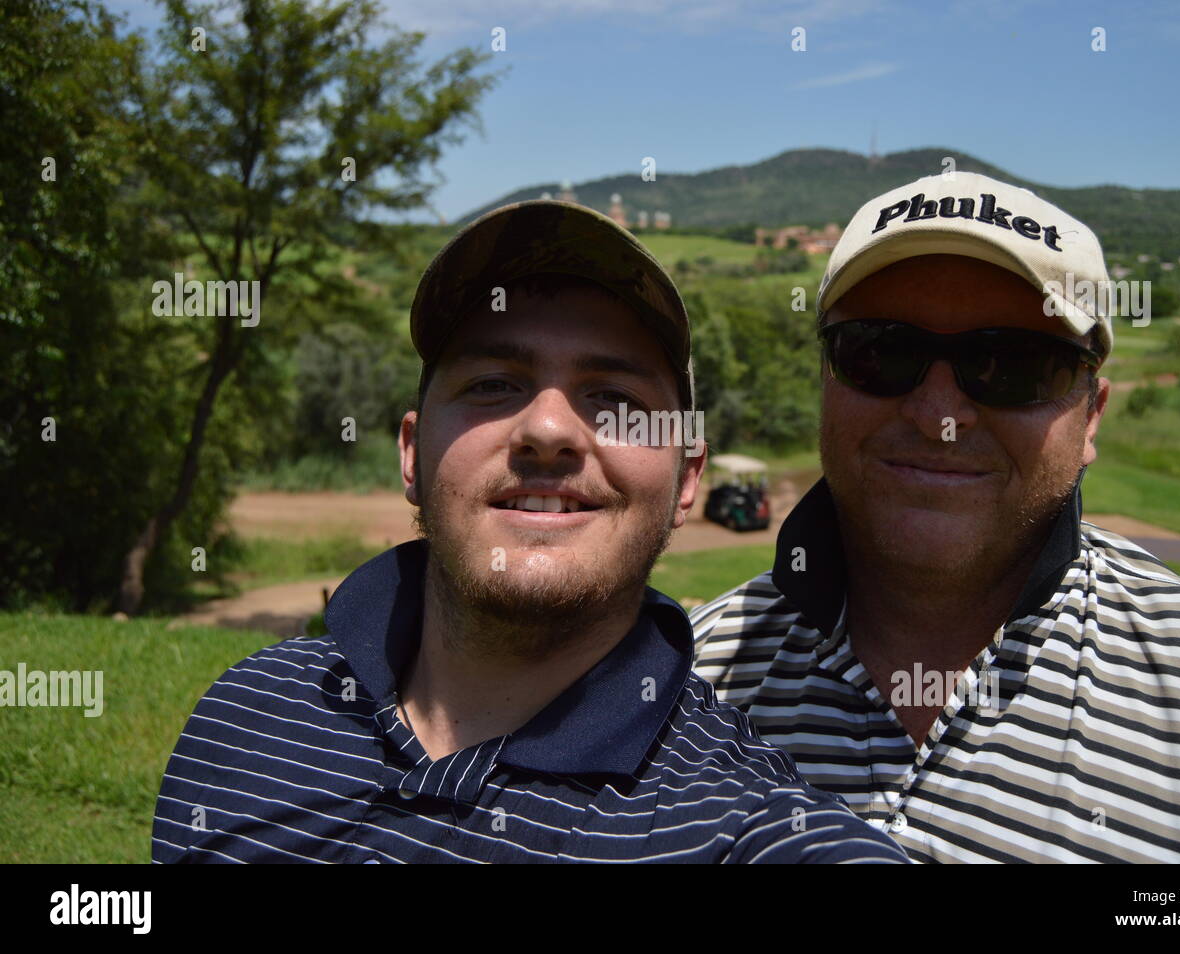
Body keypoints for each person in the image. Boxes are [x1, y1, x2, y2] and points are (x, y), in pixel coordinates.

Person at [151, 200, 907, 864]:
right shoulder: (245, 711)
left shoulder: (746, 828)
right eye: (493, 385)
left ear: (687, 479)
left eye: (611, 396)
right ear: (412, 454)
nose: (548, 429)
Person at [691, 172, 1180, 863]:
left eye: (1013, 364)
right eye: (882, 352)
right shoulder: (690, 683)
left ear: (1092, 415)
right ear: (826, 379)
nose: (938, 417)